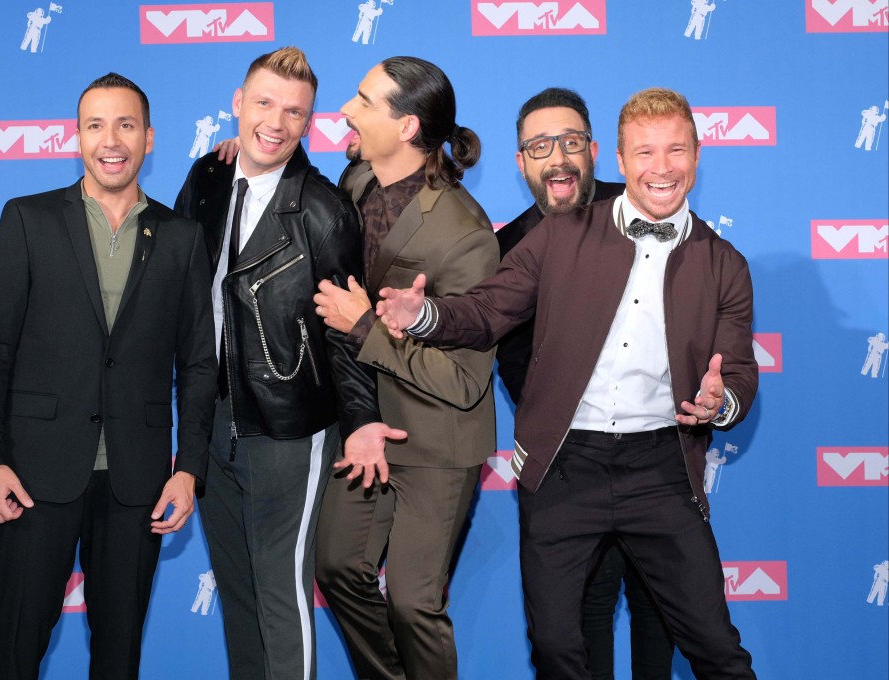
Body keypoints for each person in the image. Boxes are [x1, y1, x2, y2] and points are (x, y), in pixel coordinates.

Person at [375, 87, 759, 680]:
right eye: (646, 153)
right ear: (622, 161)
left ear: (698, 157)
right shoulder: (558, 235)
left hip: (660, 468)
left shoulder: (725, 263)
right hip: (563, 467)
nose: (661, 168)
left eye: (676, 150)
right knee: (557, 649)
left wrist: (721, 402)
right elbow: (486, 312)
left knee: (716, 647)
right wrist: (424, 316)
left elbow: (736, 370)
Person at [0, 73, 217, 680]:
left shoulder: (181, 239)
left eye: (126, 124)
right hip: (33, 475)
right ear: (75, 137)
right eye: (96, 124)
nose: (112, 139)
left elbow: (200, 363)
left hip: (136, 483)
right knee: (16, 651)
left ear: (149, 138)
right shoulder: (28, 220)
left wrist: (188, 469)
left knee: (118, 656)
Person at [174, 46, 395, 680]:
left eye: (293, 111)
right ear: (237, 105)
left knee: (282, 593)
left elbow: (346, 335)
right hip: (212, 420)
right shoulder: (207, 179)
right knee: (239, 596)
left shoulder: (324, 213)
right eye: (264, 103)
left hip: (288, 430)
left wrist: (360, 420)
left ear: (309, 122)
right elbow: (179, 286)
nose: (275, 122)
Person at [312, 56, 499, 680]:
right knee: (338, 567)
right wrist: (236, 158)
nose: (346, 109)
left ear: (409, 127)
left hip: (438, 440)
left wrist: (365, 326)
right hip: (367, 427)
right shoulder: (356, 180)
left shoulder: (464, 233)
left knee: (416, 602)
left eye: (364, 101)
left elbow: (466, 382)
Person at [499, 86, 673, 679]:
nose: (559, 158)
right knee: (575, 618)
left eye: (571, 141)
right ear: (521, 161)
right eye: (541, 146)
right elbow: (517, 364)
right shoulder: (510, 246)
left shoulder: (647, 216)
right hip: (565, 465)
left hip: (655, 459)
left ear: (596, 150)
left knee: (661, 608)